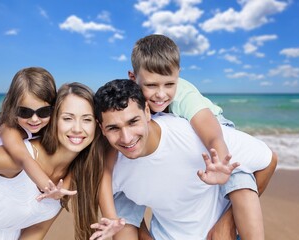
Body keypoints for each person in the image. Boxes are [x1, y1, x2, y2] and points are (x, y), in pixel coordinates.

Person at [98, 35, 278, 239]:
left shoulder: (184, 96)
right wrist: (110, 217)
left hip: (215, 129)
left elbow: (213, 136)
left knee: (237, 177)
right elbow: (107, 168)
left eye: (169, 84)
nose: (160, 94)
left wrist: (219, 162)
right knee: (122, 191)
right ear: (133, 78)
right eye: (151, 85)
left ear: (178, 77)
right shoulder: (129, 108)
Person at [0, 82, 102, 240]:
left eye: (87, 119)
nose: (77, 128)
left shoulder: (70, 180)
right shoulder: (18, 158)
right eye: (68, 118)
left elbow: (37, 229)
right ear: (53, 119)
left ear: (96, 126)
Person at [0, 67, 75, 219]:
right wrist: (48, 187)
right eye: (25, 112)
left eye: (43, 112)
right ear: (12, 108)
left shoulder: (42, 126)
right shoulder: (7, 127)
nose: (34, 119)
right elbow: (23, 158)